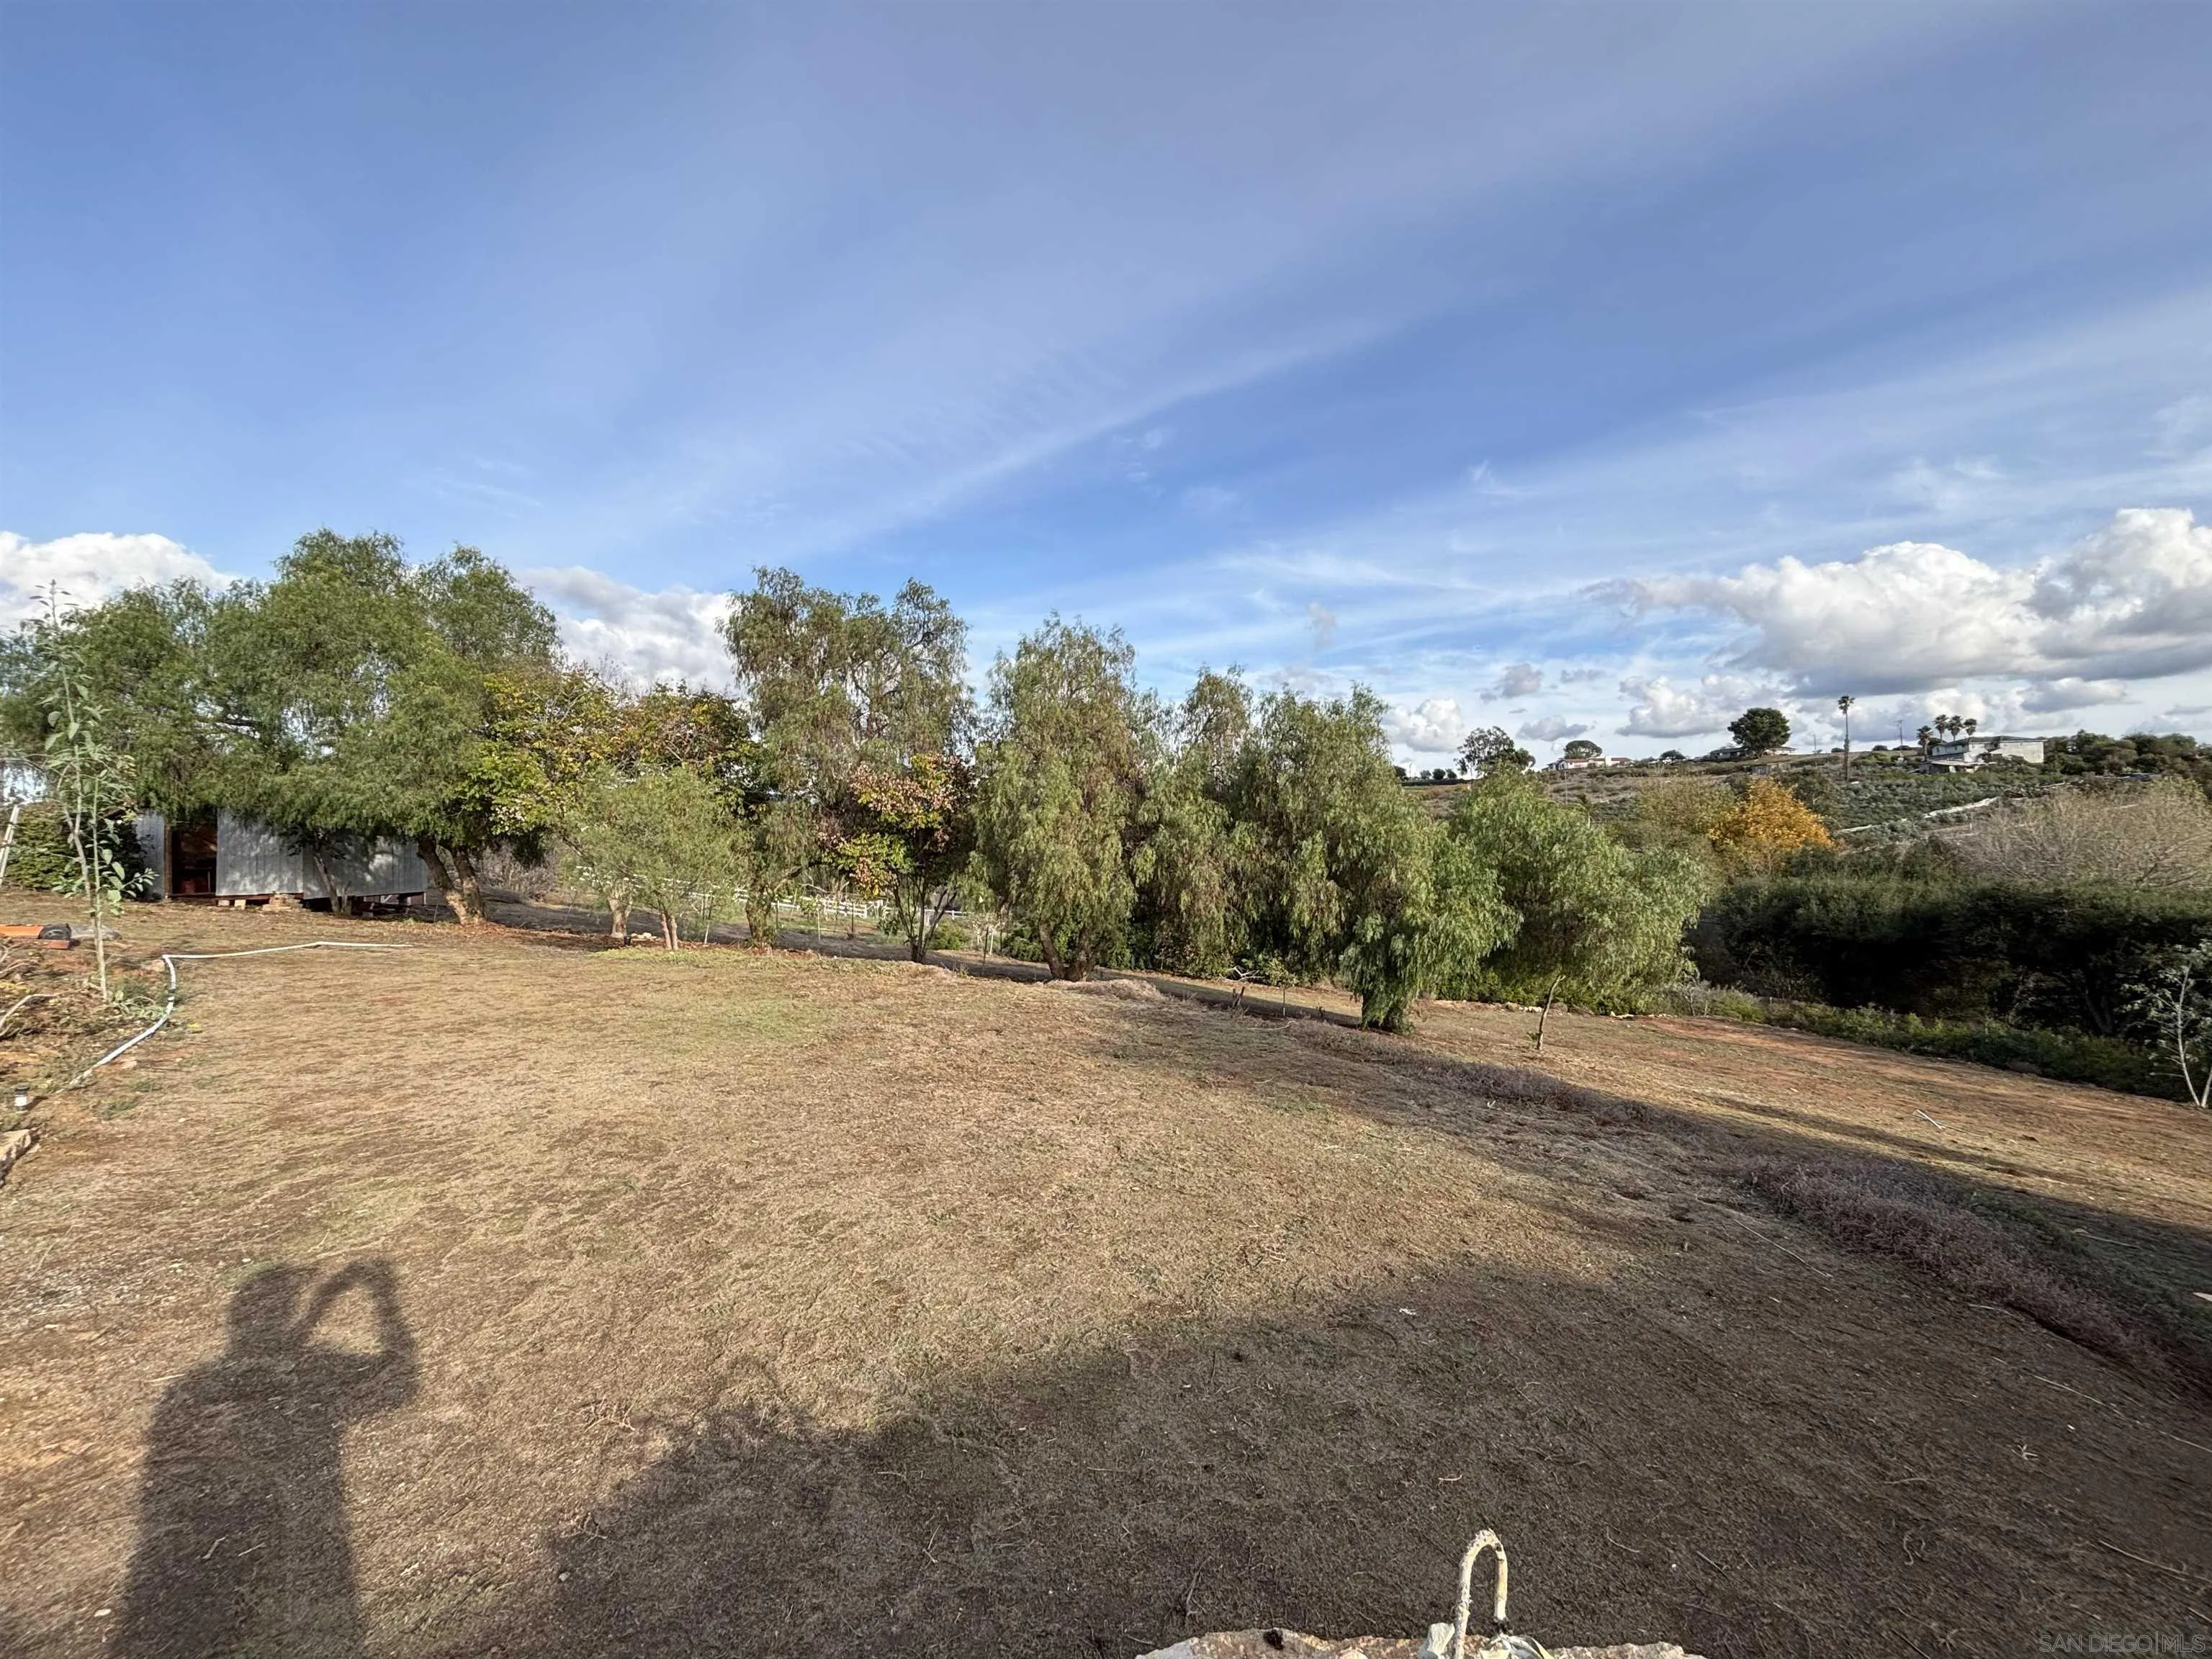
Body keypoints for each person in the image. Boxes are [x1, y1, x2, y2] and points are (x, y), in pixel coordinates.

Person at [116, 1259, 417, 1658]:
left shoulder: (190, 1387)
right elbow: (401, 1381)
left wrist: (318, 1310)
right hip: (276, 1541)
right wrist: (382, 1297)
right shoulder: (290, 1372)